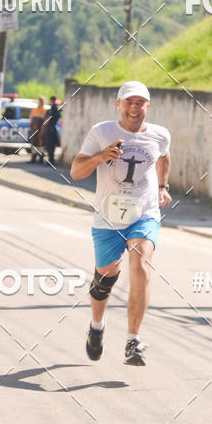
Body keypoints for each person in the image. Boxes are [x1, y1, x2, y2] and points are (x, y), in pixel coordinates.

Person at [70, 81, 171, 366]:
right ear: (118, 105)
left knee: (141, 267)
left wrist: (163, 185)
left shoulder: (160, 135)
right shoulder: (102, 132)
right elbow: (76, 171)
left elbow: (164, 155)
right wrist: (101, 157)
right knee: (104, 281)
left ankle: (132, 342)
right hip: (108, 218)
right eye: (129, 102)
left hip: (144, 214)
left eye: (141, 103)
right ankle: (96, 326)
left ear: (147, 106)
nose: (135, 108)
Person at [42, 96, 61, 166]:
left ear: (51, 101)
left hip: (50, 129)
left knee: (50, 145)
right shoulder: (56, 109)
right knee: (51, 146)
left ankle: (51, 160)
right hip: (53, 129)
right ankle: (51, 160)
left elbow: (48, 119)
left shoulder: (52, 109)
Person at [28, 97, 46, 162]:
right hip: (34, 129)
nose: (40, 102)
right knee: (33, 143)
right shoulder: (34, 110)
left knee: (40, 143)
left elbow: (44, 122)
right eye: (39, 101)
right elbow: (31, 120)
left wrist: (42, 130)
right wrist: (29, 128)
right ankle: (33, 158)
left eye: (41, 101)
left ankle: (41, 158)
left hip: (40, 129)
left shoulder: (44, 110)